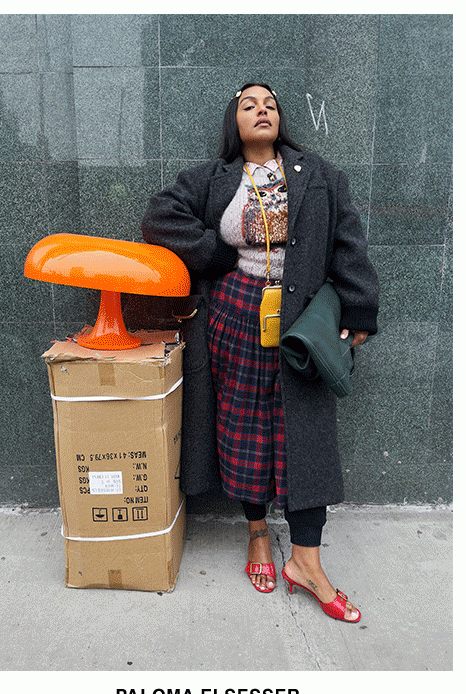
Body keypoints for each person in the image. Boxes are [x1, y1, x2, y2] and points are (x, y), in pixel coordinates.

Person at [141, 83, 379, 622]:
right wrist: (216, 255)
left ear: (281, 118)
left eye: (270, 103)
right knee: (243, 422)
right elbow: (159, 219)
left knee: (306, 429)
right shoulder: (213, 177)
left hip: (302, 320)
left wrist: (359, 310)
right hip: (235, 312)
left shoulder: (316, 175)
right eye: (248, 105)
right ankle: (255, 535)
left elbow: (348, 241)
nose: (261, 110)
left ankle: (306, 561)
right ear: (235, 122)